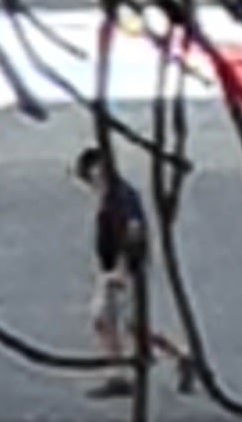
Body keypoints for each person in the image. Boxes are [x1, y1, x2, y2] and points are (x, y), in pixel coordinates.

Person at [75, 146, 192, 395]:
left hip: (124, 270)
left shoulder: (120, 197)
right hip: (117, 268)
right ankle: (178, 356)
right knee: (123, 324)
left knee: (112, 322)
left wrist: (122, 267)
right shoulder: (111, 195)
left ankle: (122, 373)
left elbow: (134, 229)